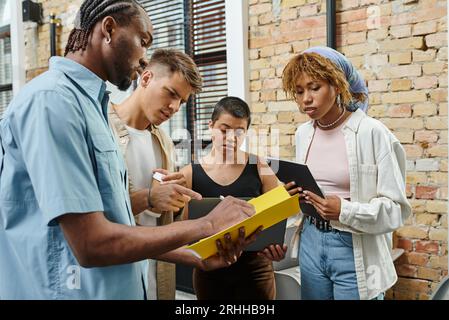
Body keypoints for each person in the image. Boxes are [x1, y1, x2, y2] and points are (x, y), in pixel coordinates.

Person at [0, 0, 256, 300]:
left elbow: (119, 225)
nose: (143, 58)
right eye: (142, 42)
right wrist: (207, 224)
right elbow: (91, 243)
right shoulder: (52, 102)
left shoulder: (92, 109)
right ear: (108, 29)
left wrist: (193, 256)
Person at [282, 46, 412, 300]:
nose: (305, 99)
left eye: (314, 87)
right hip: (310, 240)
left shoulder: (373, 133)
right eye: (299, 91)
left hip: (353, 246)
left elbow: (396, 209)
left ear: (337, 85)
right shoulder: (303, 134)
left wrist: (344, 210)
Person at [180, 97, 298, 300]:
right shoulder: (189, 174)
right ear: (211, 126)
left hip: (256, 271)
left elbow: (276, 221)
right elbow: (181, 230)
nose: (231, 138)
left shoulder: (260, 167)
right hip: (209, 272)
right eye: (224, 130)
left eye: (239, 132)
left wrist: (275, 249)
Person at [108, 48, 203, 300]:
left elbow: (163, 217)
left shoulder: (164, 141)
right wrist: (149, 197)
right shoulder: (101, 129)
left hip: (157, 278)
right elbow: (94, 216)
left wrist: (176, 200)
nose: (174, 107)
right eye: (171, 93)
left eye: (181, 101)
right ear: (146, 78)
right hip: (115, 277)